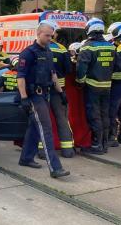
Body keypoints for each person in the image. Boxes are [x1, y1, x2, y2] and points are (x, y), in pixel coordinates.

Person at [17, 20, 70, 179]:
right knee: (46, 129)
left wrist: (61, 93)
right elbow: (21, 78)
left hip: (45, 94)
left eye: (51, 35)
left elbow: (53, 74)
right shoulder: (28, 53)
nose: (50, 38)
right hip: (34, 96)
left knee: (34, 128)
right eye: (47, 35)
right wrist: (24, 98)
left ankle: (26, 158)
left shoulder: (48, 51)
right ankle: (55, 167)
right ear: (38, 34)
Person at [76, 18, 116, 154]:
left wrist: (80, 81)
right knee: (105, 114)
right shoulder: (111, 46)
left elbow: (82, 67)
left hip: (92, 86)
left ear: (89, 30)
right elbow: (116, 65)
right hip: (107, 86)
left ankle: (95, 145)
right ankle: (104, 144)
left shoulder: (88, 46)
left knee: (94, 115)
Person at [47, 26, 75, 158]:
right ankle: (67, 150)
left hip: (42, 91)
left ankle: (42, 151)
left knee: (43, 120)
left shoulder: (36, 48)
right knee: (62, 119)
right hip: (59, 90)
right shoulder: (62, 49)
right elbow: (69, 69)